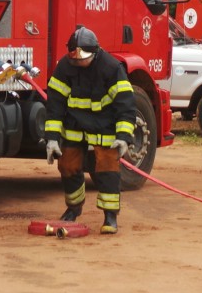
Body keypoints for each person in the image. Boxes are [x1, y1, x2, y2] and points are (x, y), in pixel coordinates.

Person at [44, 27, 136, 234]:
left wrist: (123, 137)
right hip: (75, 126)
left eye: (81, 59)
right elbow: (55, 105)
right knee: (67, 164)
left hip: (104, 126)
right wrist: (51, 139)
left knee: (106, 167)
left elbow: (126, 105)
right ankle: (73, 209)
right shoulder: (65, 67)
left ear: (95, 53)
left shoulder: (111, 68)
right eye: (73, 59)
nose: (77, 63)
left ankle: (110, 216)